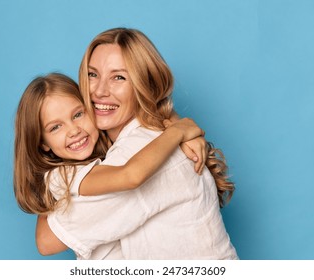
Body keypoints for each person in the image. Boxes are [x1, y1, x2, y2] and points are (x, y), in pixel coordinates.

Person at [36, 27, 238, 260]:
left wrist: (46, 174)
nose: (100, 91)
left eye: (118, 77)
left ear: (144, 84)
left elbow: (47, 239)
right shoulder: (153, 135)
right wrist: (178, 125)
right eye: (93, 75)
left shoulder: (136, 153)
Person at [14, 72, 205, 214]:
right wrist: (177, 131)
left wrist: (174, 119)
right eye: (55, 127)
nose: (73, 131)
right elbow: (130, 176)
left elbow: (149, 110)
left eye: (78, 114)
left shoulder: (111, 146)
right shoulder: (61, 178)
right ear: (42, 143)